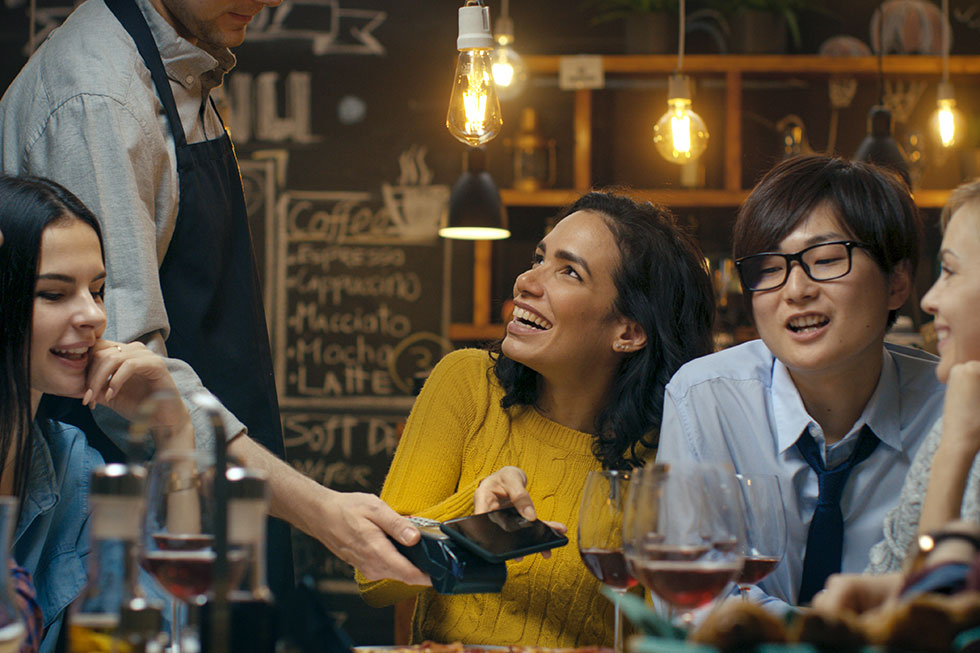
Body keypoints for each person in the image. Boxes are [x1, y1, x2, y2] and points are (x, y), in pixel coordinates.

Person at [0, 0, 428, 590]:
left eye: (99, 290)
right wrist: (320, 511)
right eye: (57, 293)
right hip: (114, 514)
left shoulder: (182, 71)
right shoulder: (100, 99)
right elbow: (120, 366)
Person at [357, 190, 716, 648]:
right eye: (538, 258)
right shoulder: (467, 384)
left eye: (569, 271)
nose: (527, 280)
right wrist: (476, 511)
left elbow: (669, 629)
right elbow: (374, 579)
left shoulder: (662, 454)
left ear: (628, 332)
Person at [655, 155, 945, 613]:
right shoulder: (706, 398)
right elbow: (688, 600)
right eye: (768, 269)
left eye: (826, 259)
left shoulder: (949, 410)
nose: (795, 290)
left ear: (897, 283)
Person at [0, 174, 198, 650]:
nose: (93, 315)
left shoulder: (73, 468)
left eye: (98, 289)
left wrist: (175, 432)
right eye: (53, 293)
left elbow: (166, 627)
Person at [813, 178, 980, 613]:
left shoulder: (959, 425)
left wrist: (956, 449)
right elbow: (910, 583)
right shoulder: (957, 415)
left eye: (950, 270)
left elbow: (935, 621)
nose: (929, 299)